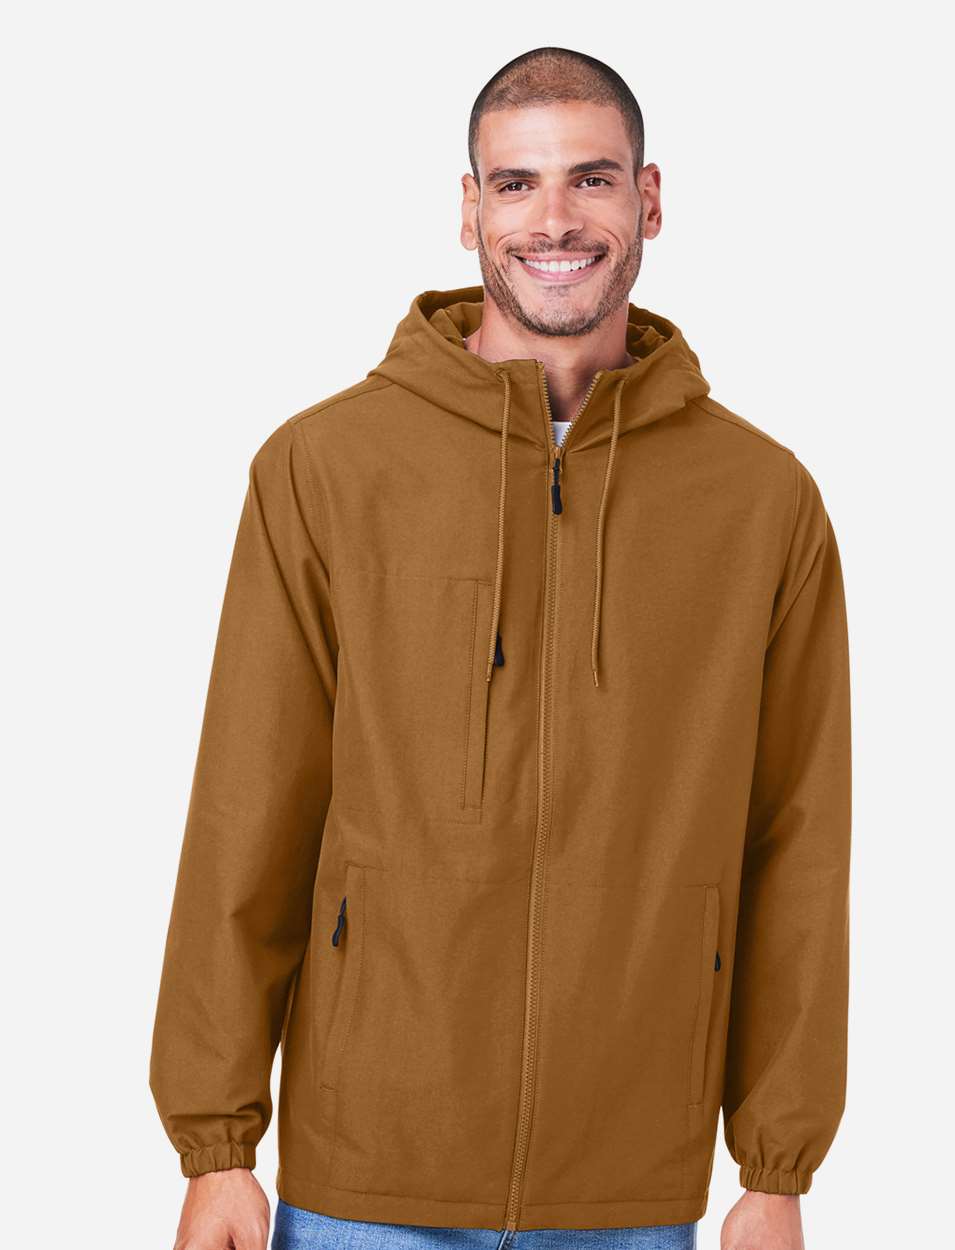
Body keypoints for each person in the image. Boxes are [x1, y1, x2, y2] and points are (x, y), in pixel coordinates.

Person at [149, 46, 851, 1250]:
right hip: (364, 1176)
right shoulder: (326, 468)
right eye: (517, 184)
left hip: (631, 1183)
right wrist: (217, 1145)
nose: (555, 219)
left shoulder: (759, 500)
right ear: (469, 208)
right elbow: (247, 808)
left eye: (592, 178)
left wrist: (775, 1165)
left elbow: (796, 839)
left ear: (650, 200)